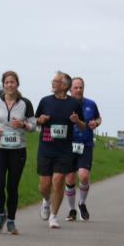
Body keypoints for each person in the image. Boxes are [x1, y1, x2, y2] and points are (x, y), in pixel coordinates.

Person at [0, 71, 36, 235]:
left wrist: (23, 124)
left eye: (12, 82)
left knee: (12, 186)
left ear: (17, 84)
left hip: (17, 150)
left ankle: (11, 220)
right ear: (3, 85)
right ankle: (1, 214)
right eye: (7, 82)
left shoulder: (25, 103)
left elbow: (33, 126)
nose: (9, 85)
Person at [36, 71, 86, 229]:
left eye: (56, 81)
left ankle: (53, 216)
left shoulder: (74, 104)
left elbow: (83, 126)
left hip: (64, 150)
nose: (53, 83)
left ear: (64, 85)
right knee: (44, 186)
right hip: (46, 148)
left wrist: (77, 121)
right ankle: (46, 200)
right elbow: (35, 121)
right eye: (53, 81)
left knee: (58, 182)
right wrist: (40, 120)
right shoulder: (45, 101)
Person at [63, 77, 102, 222]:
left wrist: (95, 123)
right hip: (68, 146)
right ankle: (71, 209)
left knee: (84, 176)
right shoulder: (65, 104)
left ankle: (82, 203)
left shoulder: (91, 104)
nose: (78, 90)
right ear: (70, 89)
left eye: (81, 87)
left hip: (85, 145)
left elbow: (98, 118)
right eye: (76, 87)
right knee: (70, 178)